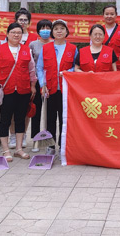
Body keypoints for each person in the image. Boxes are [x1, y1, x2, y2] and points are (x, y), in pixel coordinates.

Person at [0, 23, 37, 162]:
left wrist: (33, 85)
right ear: (7, 34)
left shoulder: (26, 50)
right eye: (13, 32)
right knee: (5, 120)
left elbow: (32, 69)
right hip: (6, 90)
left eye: (19, 33)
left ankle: (19, 149)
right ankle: (6, 150)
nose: (16, 35)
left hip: (23, 89)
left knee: (21, 119)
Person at [37, 19, 78, 154]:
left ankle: (63, 146)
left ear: (67, 31)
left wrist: (68, 72)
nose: (59, 31)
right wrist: (43, 85)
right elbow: (40, 68)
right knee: (50, 119)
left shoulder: (73, 48)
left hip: (66, 90)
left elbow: (76, 67)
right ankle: (50, 146)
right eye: (56, 29)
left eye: (62, 29)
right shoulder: (46, 48)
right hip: (50, 89)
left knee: (64, 119)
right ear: (52, 32)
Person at [5, 7, 38, 148]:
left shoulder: (34, 38)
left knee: (26, 109)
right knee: (11, 110)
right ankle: (12, 135)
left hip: (29, 78)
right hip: (11, 79)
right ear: (16, 21)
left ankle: (23, 134)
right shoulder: (9, 36)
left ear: (29, 22)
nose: (23, 22)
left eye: (25, 20)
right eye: (20, 20)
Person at [28, 19, 53, 152]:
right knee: (36, 111)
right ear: (38, 30)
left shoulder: (55, 44)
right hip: (37, 81)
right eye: (42, 28)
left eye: (48, 28)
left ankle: (49, 140)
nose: (45, 30)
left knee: (50, 112)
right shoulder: (33, 44)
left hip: (52, 82)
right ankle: (36, 140)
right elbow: (30, 64)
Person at [102, 5, 120, 70]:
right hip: (103, 68)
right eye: (107, 14)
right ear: (103, 15)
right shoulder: (98, 30)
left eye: (112, 14)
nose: (109, 16)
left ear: (116, 15)